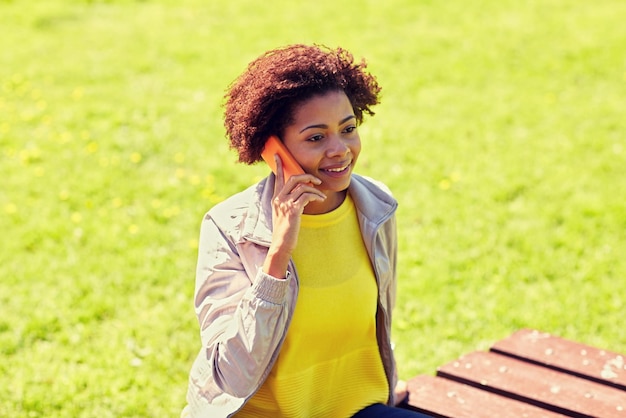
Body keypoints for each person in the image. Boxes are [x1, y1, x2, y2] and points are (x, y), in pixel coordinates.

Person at [183, 44, 431, 418]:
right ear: (273, 148)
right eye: (316, 137)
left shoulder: (375, 207)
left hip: (354, 410)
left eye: (348, 129)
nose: (340, 150)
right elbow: (231, 376)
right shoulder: (230, 229)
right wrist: (278, 253)